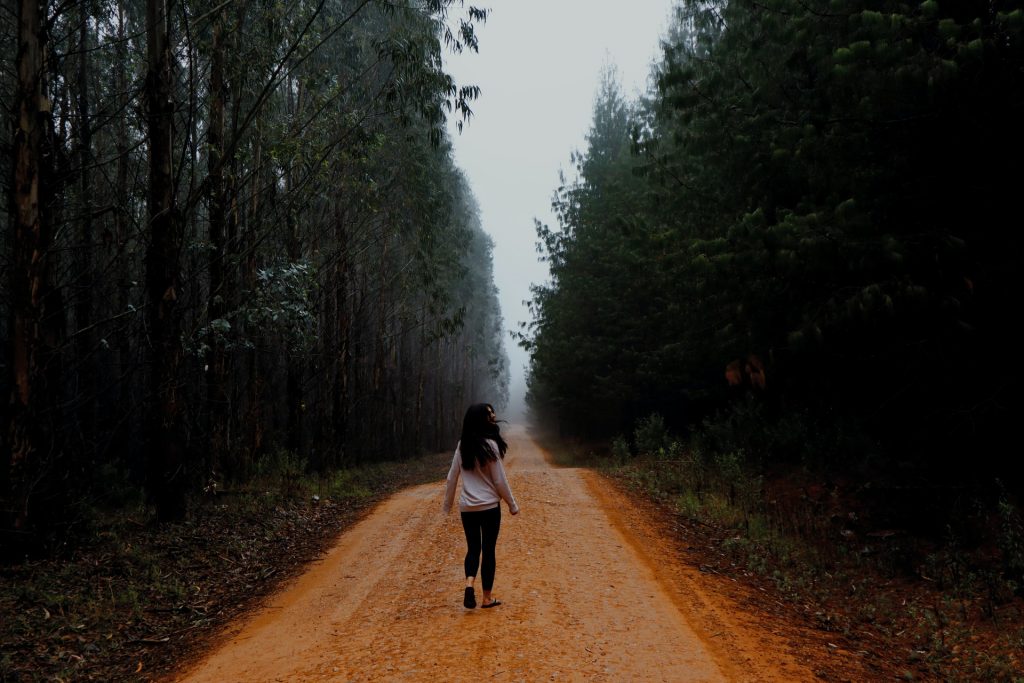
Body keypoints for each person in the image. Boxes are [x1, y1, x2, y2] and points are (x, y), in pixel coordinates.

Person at [442, 403, 519, 609]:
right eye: (489, 414)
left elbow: (452, 478)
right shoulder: (491, 445)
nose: (493, 416)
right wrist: (512, 504)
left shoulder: (462, 445)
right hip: (490, 508)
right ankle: (486, 598)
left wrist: (447, 505)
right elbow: (499, 481)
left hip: (468, 508)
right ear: (480, 419)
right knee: (489, 550)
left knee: (473, 548)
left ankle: (469, 584)